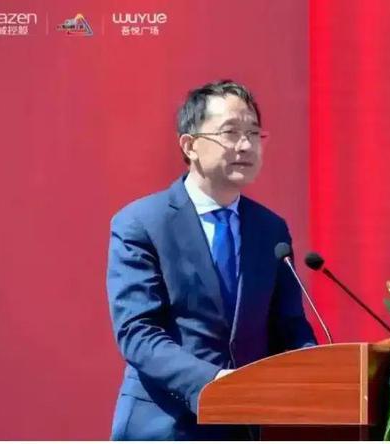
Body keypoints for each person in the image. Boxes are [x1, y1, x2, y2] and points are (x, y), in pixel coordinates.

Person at [106, 80, 316, 440]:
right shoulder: (142, 223)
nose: (246, 145)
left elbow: (289, 327)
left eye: (254, 133)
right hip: (165, 425)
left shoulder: (270, 229)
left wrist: (318, 372)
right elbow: (138, 332)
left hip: (248, 426)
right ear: (190, 145)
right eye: (230, 133)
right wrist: (215, 383)